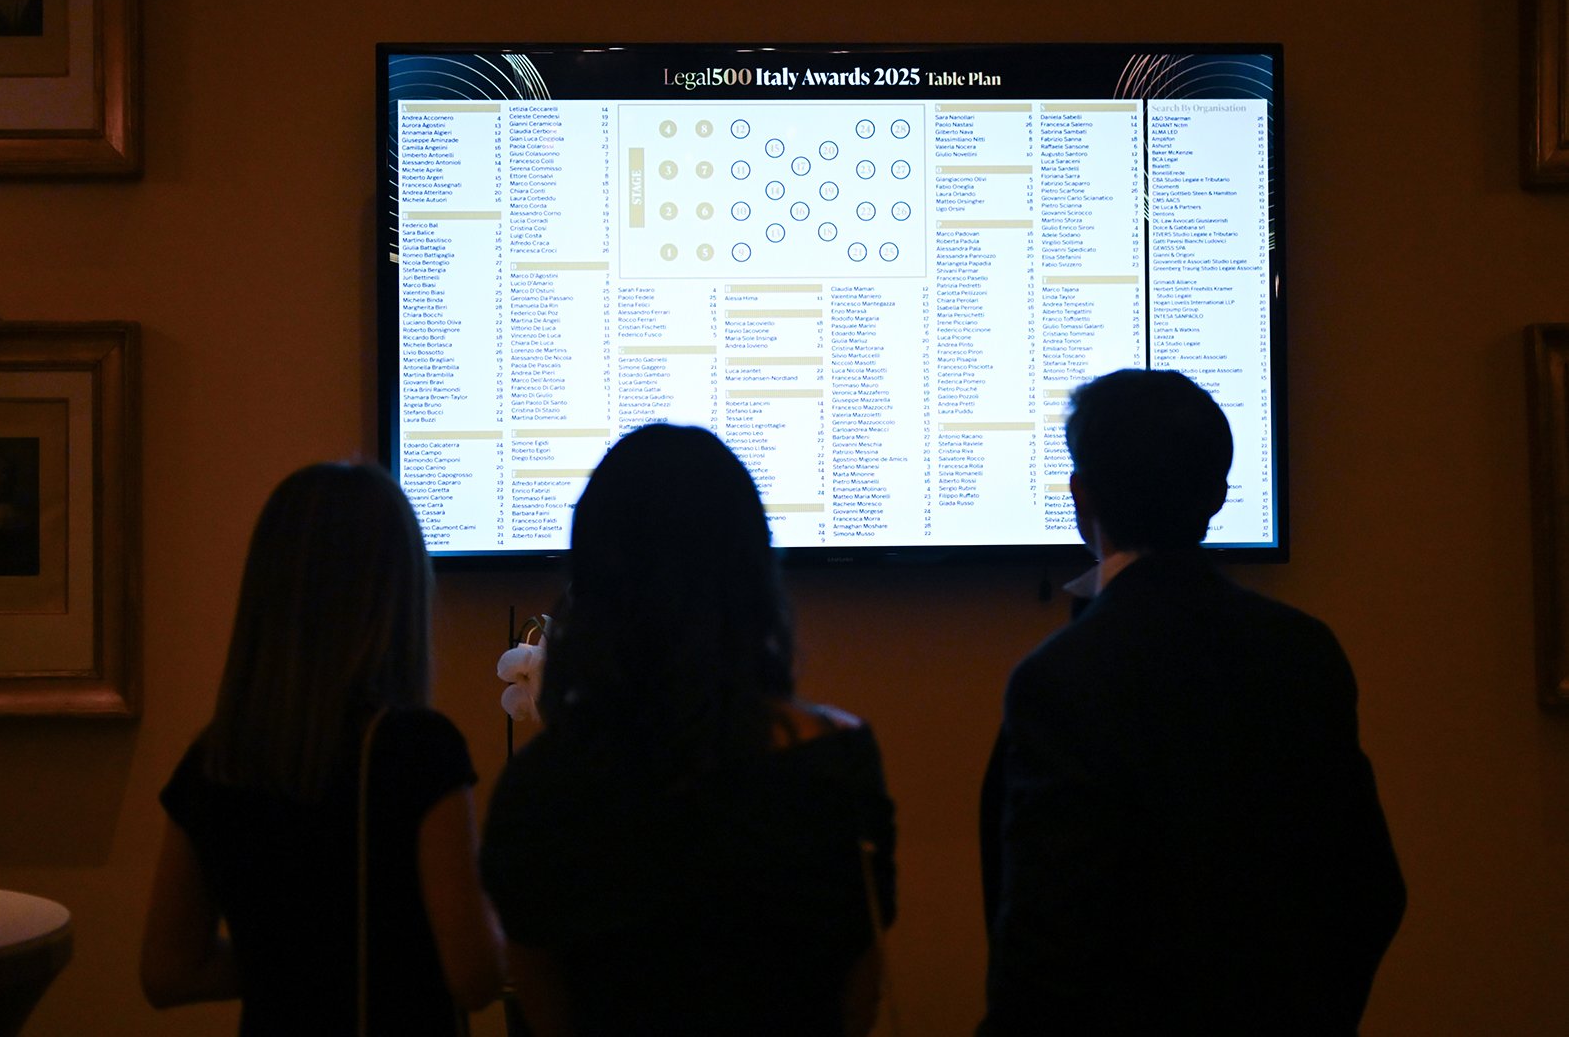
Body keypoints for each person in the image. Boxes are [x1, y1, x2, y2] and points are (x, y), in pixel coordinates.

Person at [978, 369, 1405, 1035]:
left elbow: (1047, 942)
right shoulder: (1304, 650)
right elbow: (1369, 891)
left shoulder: (1062, 676)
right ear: (1218, 495)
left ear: (1080, 496)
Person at [481, 424, 896, 1037]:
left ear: (590, 575)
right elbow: (856, 1002)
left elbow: (543, 1012)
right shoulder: (838, 766)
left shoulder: (538, 791)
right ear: (756, 569)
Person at [141, 462, 504, 1034]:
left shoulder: (215, 758)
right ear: (398, 594)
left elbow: (168, 972)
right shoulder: (417, 750)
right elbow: (475, 975)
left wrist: (287, 964)